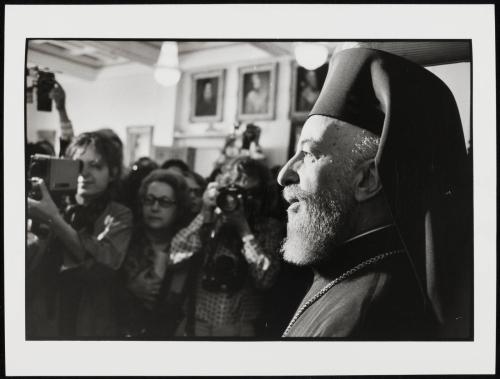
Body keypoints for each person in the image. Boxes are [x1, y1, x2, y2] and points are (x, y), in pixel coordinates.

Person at [277, 48, 472, 339]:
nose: (284, 174)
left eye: (308, 153)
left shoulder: (368, 318)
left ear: (367, 179)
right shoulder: (346, 271)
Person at [27, 131, 133, 338]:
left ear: (112, 172)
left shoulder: (120, 213)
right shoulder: (56, 204)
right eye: (78, 165)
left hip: (91, 316)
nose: (85, 173)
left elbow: (106, 262)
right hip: (47, 312)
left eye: (96, 166)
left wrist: (54, 220)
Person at [175, 157, 284, 337]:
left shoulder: (269, 227)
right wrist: (205, 214)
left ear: (263, 195)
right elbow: (176, 254)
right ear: (223, 190)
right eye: (236, 191)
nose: (243, 199)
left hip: (239, 329)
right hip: (195, 324)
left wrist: (243, 229)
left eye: (253, 193)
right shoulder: (210, 219)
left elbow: (265, 279)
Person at [120, 169, 194, 337]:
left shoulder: (187, 246)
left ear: (179, 207)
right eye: (149, 200)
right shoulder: (125, 240)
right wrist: (130, 288)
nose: (155, 208)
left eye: (165, 202)